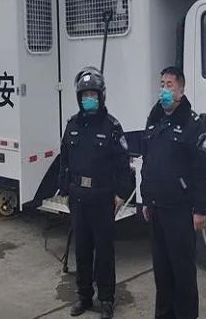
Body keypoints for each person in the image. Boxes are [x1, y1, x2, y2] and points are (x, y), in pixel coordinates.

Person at [59, 66, 134, 319]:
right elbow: (64, 160)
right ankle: (83, 296)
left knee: (104, 252)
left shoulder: (111, 126)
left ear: (101, 96)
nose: (88, 98)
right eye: (84, 95)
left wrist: (121, 194)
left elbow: (123, 163)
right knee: (82, 250)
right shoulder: (72, 125)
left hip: (103, 198)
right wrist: (64, 189)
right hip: (79, 198)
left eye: (92, 94)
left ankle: (106, 299)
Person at [141, 66, 206, 319]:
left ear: (181, 90)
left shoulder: (192, 123)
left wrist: (200, 209)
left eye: (169, 85)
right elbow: (147, 161)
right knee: (162, 271)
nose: (165, 90)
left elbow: (202, 169)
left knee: (183, 272)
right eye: (162, 84)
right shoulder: (155, 118)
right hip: (157, 208)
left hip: (180, 211)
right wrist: (145, 199)